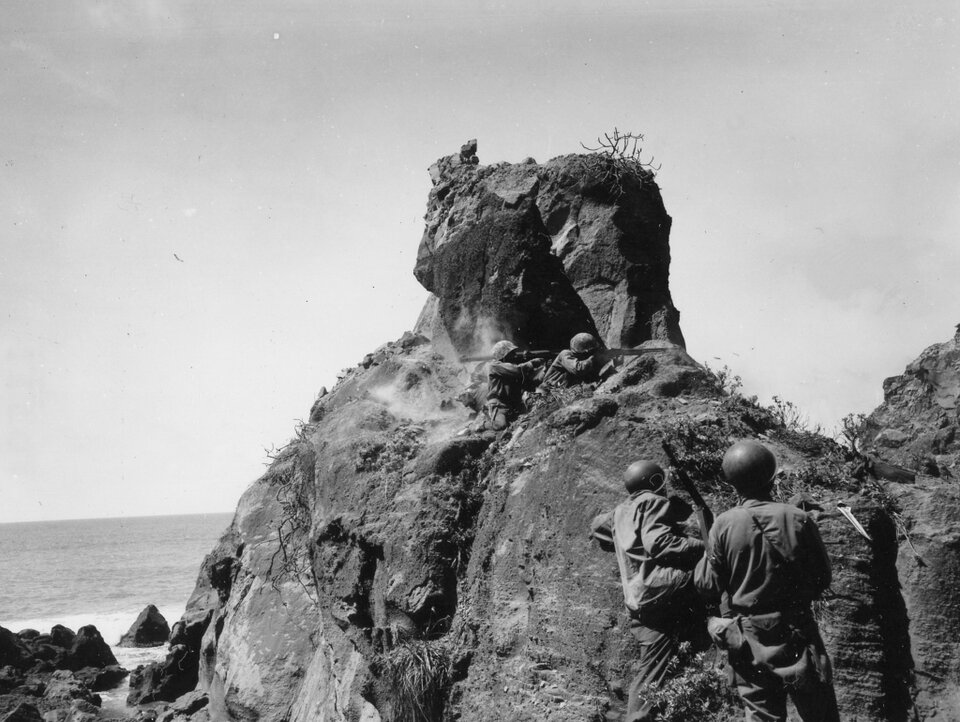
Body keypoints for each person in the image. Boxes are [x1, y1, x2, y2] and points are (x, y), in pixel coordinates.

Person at [694, 440, 840, 722]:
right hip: (798, 632)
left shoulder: (723, 524)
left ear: (732, 482)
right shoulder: (798, 518)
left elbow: (708, 585)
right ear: (771, 475)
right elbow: (822, 578)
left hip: (750, 640)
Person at [591, 461, 708, 721]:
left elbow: (597, 527)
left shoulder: (620, 511)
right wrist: (704, 547)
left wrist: (627, 535)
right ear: (655, 483)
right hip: (661, 588)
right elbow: (660, 543)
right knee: (711, 567)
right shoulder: (654, 502)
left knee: (651, 667)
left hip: (637, 601)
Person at [483, 340, 544, 431]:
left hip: (511, 405)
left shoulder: (508, 369)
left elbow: (527, 383)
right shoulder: (494, 366)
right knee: (500, 425)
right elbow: (517, 370)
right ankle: (483, 425)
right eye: (511, 353)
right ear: (503, 355)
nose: (515, 355)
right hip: (498, 404)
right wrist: (531, 363)